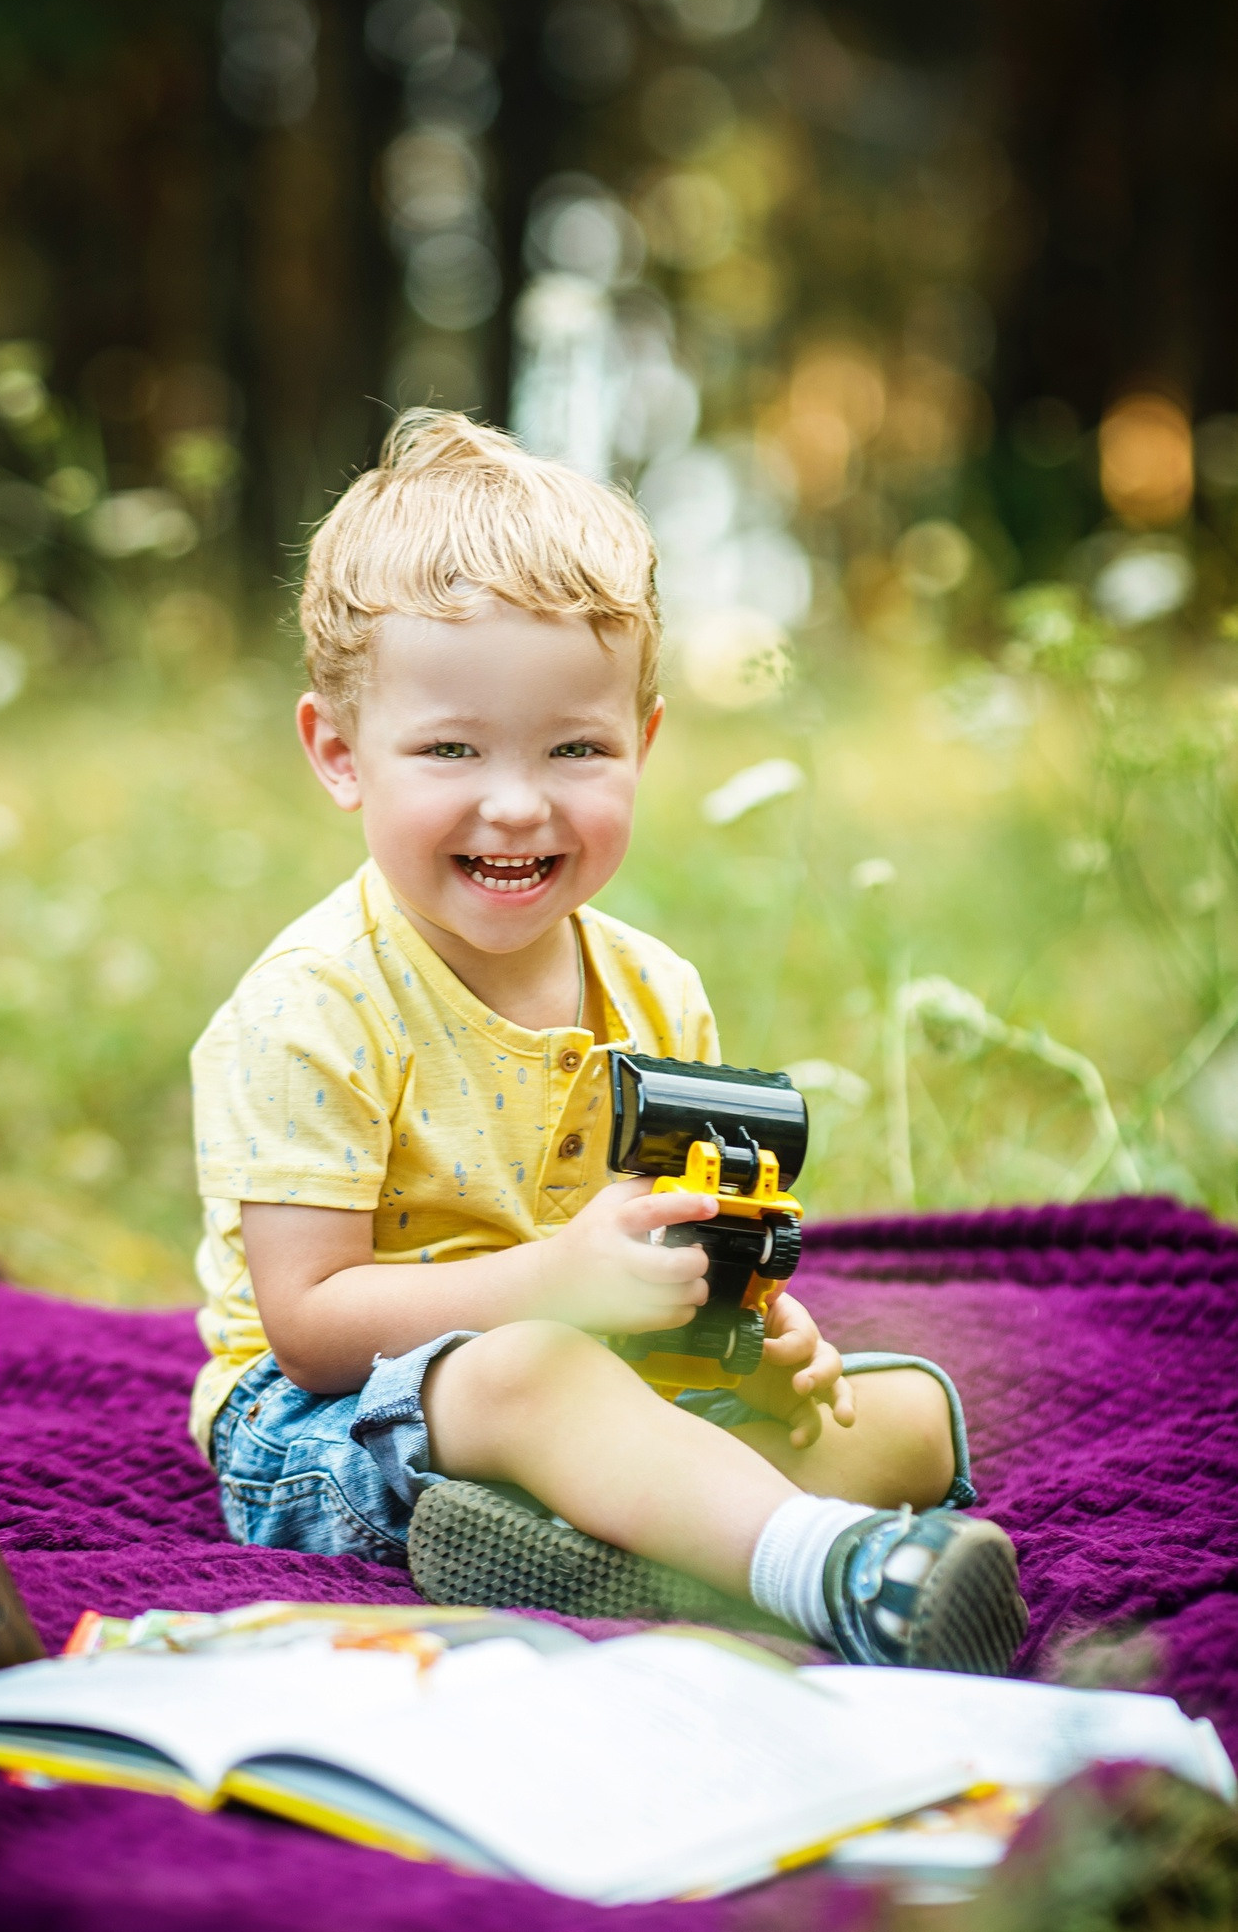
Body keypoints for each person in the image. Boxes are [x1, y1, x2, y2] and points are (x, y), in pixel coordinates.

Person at [189, 410, 1027, 1671]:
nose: (515, 802)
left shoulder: (654, 988)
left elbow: (684, 1241)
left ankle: (625, 1546)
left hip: (595, 1368)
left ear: (642, 743)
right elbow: (307, 1322)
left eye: (574, 749)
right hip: (330, 1424)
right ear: (340, 753)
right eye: (450, 749)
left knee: (908, 1410)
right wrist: (555, 1288)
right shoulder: (315, 1004)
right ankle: (827, 1572)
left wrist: (753, 1334)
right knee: (527, 1374)